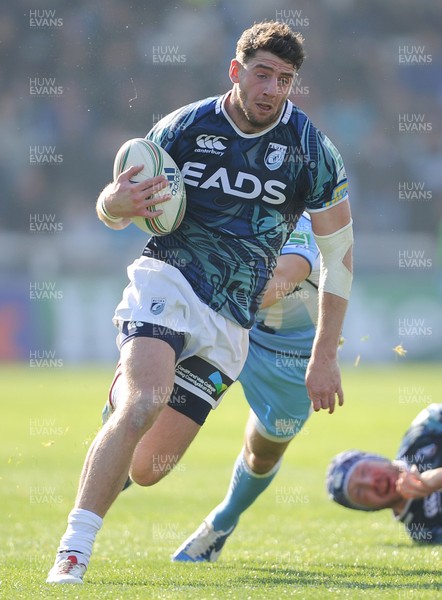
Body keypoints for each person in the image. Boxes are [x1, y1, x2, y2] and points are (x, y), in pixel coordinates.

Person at [47, 20, 353, 584]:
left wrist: (325, 353)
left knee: (146, 469)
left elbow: (341, 256)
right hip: (168, 279)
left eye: (284, 80)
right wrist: (111, 202)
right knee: (143, 403)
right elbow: (118, 209)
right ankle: (73, 552)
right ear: (236, 71)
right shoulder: (185, 126)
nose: (272, 89)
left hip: (231, 322)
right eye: (262, 75)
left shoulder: (312, 150)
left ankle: (127, 399)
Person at [170, 212, 321, 561]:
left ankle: (220, 523)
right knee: (150, 412)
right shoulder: (216, 195)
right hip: (225, 323)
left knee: (265, 449)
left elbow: (284, 277)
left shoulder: (300, 217)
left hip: (290, 350)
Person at [327, 403, 442, 544]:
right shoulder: (426, 531)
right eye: (360, 493)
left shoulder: (426, 428)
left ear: (377, 459)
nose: (370, 483)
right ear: (369, 509)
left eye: (365, 471)